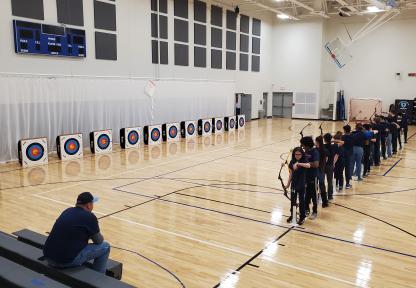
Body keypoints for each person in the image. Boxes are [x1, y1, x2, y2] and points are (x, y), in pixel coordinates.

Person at [43, 192, 110, 273]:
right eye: (92, 203)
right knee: (105, 247)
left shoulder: (67, 211)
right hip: (64, 261)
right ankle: (99, 278)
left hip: (48, 256)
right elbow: (99, 241)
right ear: (89, 205)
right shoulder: (89, 217)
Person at [284, 147, 310, 225]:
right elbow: (291, 174)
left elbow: (308, 165)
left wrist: (299, 164)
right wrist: (288, 184)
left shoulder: (304, 161)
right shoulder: (292, 161)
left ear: (302, 154)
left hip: (302, 185)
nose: (297, 156)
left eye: (299, 154)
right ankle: (293, 215)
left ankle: (302, 217)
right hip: (294, 185)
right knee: (293, 201)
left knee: (302, 202)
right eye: (296, 154)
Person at [300, 136, 320, 220]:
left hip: (313, 177)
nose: (302, 147)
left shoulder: (314, 152)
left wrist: (307, 164)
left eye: (303, 145)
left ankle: (314, 211)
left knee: (313, 195)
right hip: (305, 177)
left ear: (307, 145)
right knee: (306, 194)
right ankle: (306, 209)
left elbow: (316, 164)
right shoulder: (304, 152)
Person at [315, 136, 329, 207]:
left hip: (316, 170)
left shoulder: (316, 150)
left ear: (316, 142)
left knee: (315, 185)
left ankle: (315, 199)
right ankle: (325, 202)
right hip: (322, 169)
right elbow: (326, 159)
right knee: (322, 185)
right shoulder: (325, 150)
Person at [323, 133, 338, 200]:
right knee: (330, 181)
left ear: (324, 139)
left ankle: (322, 194)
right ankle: (330, 195)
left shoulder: (323, 146)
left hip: (323, 165)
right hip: (330, 165)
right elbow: (336, 155)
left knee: (322, 181)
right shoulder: (334, 146)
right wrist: (334, 163)